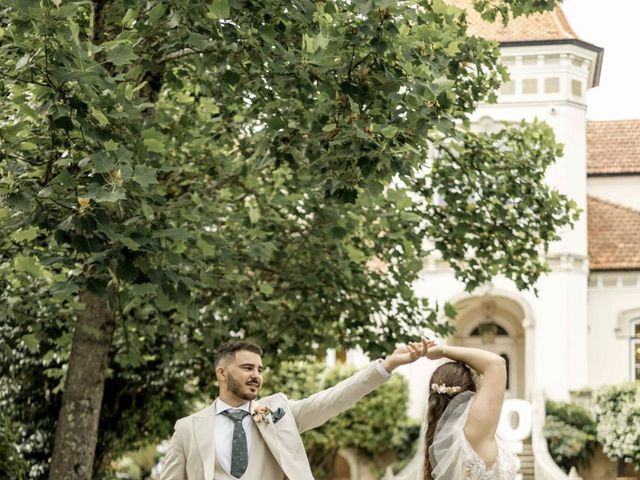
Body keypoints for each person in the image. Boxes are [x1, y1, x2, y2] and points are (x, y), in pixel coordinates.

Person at [160, 339, 426, 480]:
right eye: (247, 368)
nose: (256, 375)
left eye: (259, 369)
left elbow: (333, 399)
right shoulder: (187, 428)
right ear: (221, 373)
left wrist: (387, 365)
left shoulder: (279, 410)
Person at [421, 338, 517, 480]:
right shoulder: (476, 427)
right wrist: (443, 350)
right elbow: (495, 364)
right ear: (471, 389)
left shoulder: (438, 436)